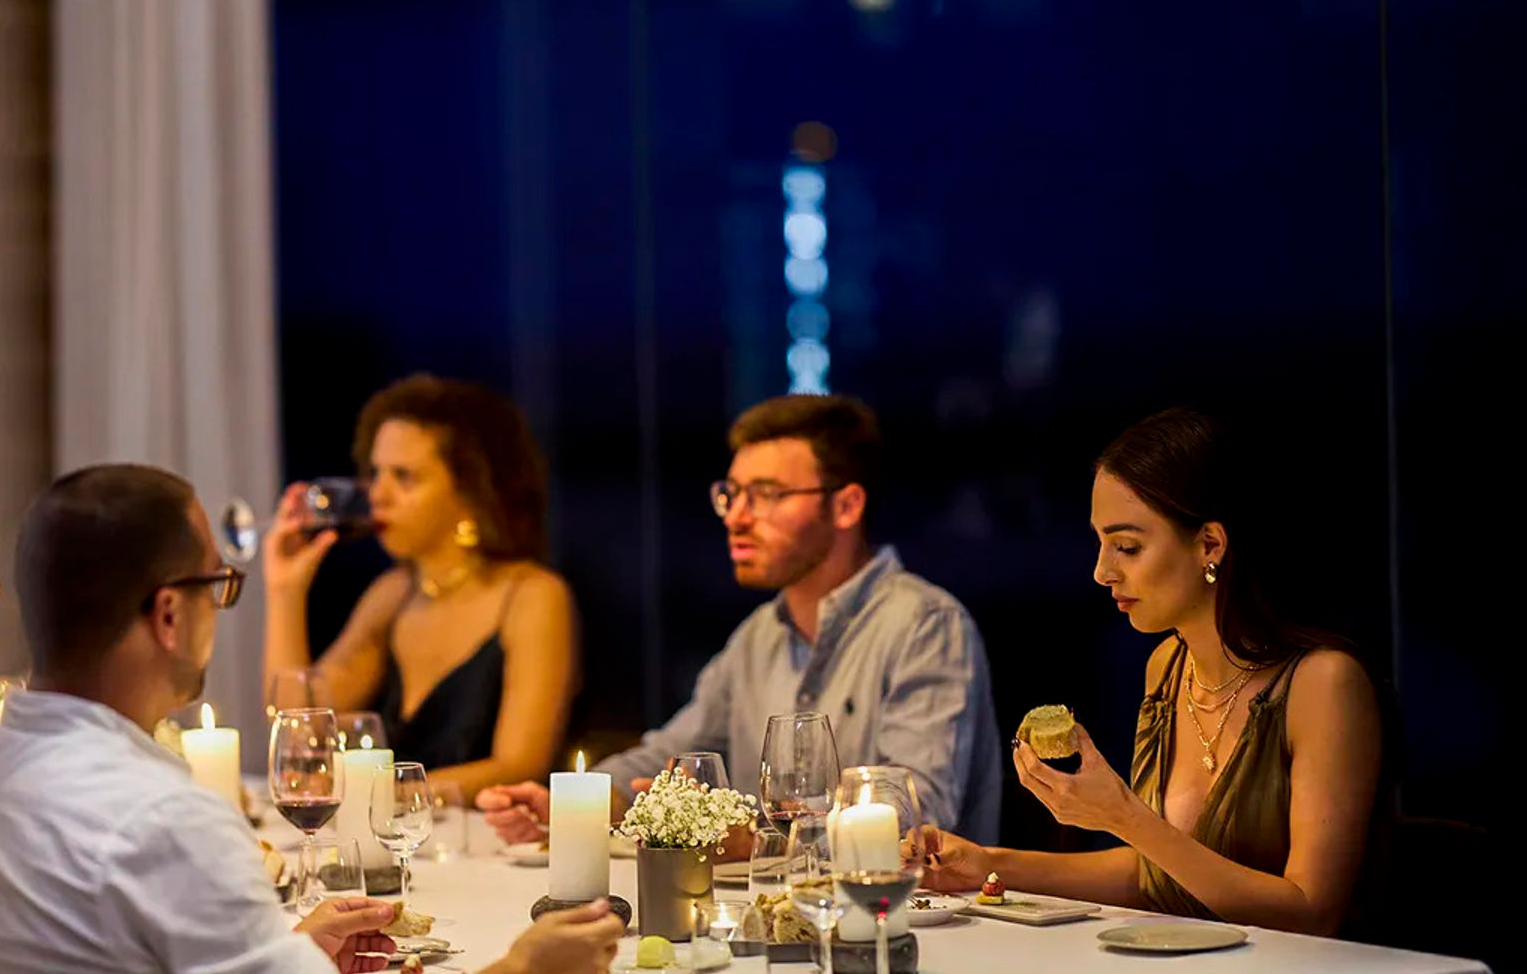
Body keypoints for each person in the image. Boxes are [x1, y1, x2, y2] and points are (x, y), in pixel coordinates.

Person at [0, 464, 621, 973]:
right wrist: (524, 970)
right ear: (169, 615)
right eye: (219, 584)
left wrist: (284, 952)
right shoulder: (163, 820)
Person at [913, 408, 1386, 937]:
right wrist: (988, 863)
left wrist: (1122, 816)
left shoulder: (1324, 685)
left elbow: (1311, 913)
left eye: (1127, 547)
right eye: (1100, 543)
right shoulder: (1169, 667)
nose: (1102, 571)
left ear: (1210, 545)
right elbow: (1157, 875)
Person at [479, 394, 1002, 844]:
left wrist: (754, 836)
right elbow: (667, 755)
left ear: (846, 506)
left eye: (767, 495)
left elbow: (919, 812)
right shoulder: (759, 635)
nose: (736, 516)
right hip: (774, 912)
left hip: (904, 917)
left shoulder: (925, 624)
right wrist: (572, 803)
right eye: (731, 495)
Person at [262, 375, 577, 800]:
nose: (378, 494)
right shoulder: (393, 594)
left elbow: (520, 765)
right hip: (398, 836)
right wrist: (285, 591)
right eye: (375, 473)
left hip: (489, 837)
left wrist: (381, 792)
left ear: (471, 490)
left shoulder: (531, 595)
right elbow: (298, 728)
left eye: (404, 476)